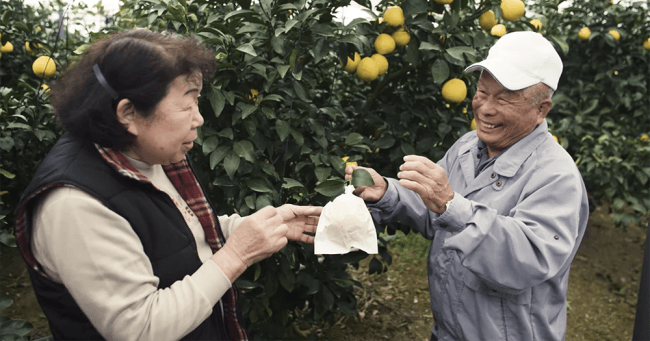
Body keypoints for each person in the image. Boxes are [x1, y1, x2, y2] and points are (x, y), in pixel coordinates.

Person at [14, 29, 321, 341]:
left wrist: (252, 229)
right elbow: (142, 328)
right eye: (187, 106)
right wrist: (238, 255)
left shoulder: (143, 155)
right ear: (128, 113)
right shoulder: (75, 205)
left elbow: (172, 230)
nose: (198, 119)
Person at [345, 31, 589, 341]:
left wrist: (452, 205)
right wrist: (388, 193)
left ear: (541, 109)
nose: (485, 108)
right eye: (482, 92)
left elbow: (527, 260)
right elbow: (434, 211)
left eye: (504, 98)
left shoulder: (556, 176)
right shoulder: (467, 147)